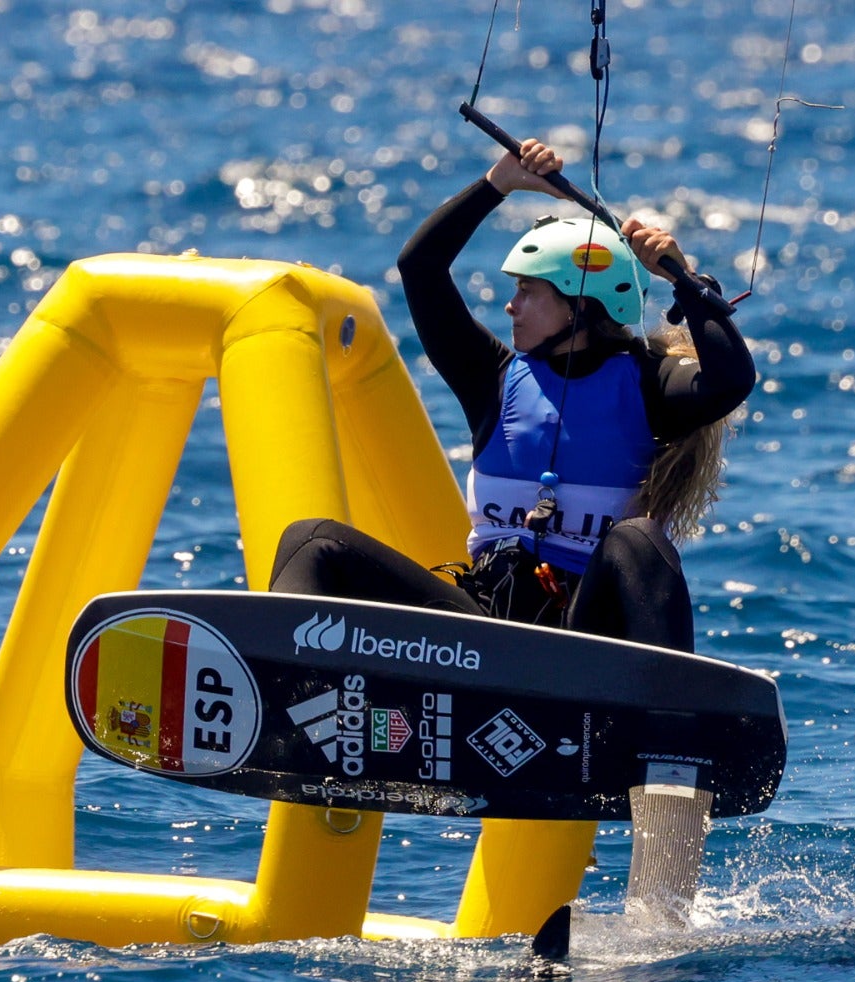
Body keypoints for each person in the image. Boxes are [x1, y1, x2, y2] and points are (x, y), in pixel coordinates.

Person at [268, 138, 755, 652]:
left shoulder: (646, 382)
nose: (510, 307)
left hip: (588, 638)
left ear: (579, 306)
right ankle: (283, 701)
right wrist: (499, 182)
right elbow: (421, 268)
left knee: (640, 542)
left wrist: (685, 283)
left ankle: (666, 715)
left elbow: (729, 381)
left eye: (528, 292)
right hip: (482, 628)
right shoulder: (493, 378)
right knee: (313, 541)